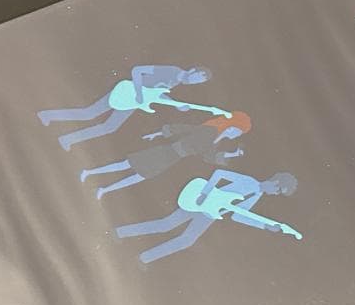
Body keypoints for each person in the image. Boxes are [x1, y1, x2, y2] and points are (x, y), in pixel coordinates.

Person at [116, 170, 301, 264]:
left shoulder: (257, 195)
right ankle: (119, 233)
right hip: (200, 203)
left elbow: (238, 216)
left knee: (186, 240)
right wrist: (205, 193)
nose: (275, 194)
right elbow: (219, 173)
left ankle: (143, 258)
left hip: (210, 215)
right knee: (165, 225)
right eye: (279, 190)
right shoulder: (248, 182)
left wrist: (264, 225)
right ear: (275, 182)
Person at [37, 65, 231, 150]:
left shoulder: (176, 82)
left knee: (109, 127)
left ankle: (67, 139)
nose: (195, 82)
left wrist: (176, 105)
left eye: (199, 82)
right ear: (193, 70)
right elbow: (137, 70)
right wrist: (138, 93)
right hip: (127, 93)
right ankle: (47, 115)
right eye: (197, 78)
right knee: (89, 113)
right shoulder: (171, 71)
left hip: (134, 102)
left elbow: (156, 92)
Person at [80, 112, 253, 199]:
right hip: (167, 151)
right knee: (127, 164)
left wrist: (233, 153)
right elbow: (185, 129)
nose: (236, 135)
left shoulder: (215, 140)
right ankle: (89, 172)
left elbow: (209, 156)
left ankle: (104, 190)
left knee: (138, 177)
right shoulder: (209, 130)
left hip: (172, 158)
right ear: (231, 127)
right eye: (238, 131)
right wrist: (158, 133)